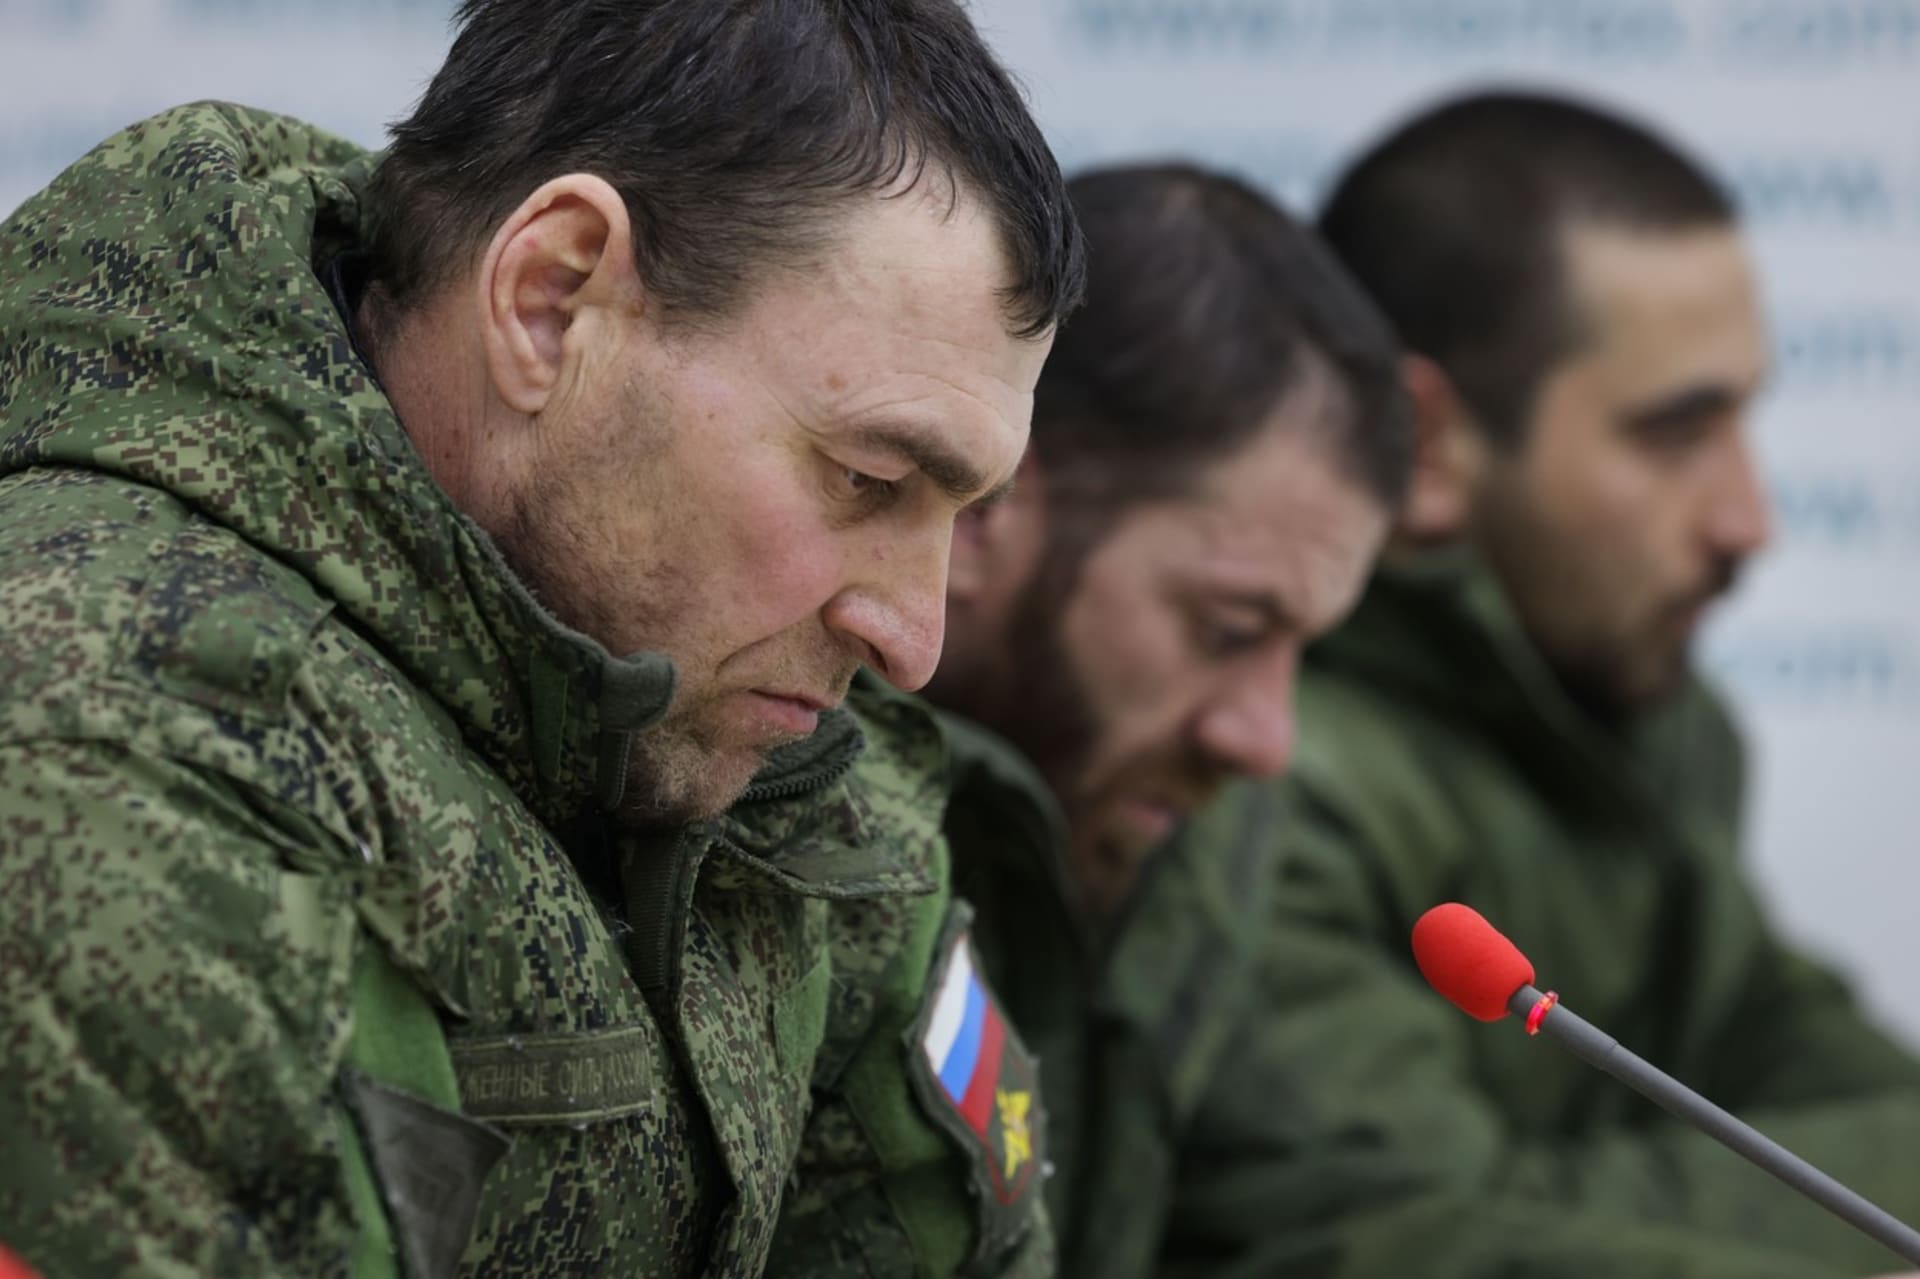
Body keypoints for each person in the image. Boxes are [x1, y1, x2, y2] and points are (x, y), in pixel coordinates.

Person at [0, 1, 1084, 1274]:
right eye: (867, 478)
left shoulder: (772, 756)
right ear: (551, 300)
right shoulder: (94, 747)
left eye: (967, 513)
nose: (914, 640)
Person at [1173, 89, 1920, 1277]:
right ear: (1423, 445)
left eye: (1745, 421)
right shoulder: (1246, 771)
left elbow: (1780, 1039)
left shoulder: (1654, 721)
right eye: (1676, 432)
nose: (1750, 520)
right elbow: (1403, 1235)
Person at [919, 163, 1411, 1277]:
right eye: (1230, 628)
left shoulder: (1186, 832)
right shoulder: (741, 790)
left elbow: (1333, 1217)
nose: (1264, 739)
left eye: (1304, 651)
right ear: (994, 495)